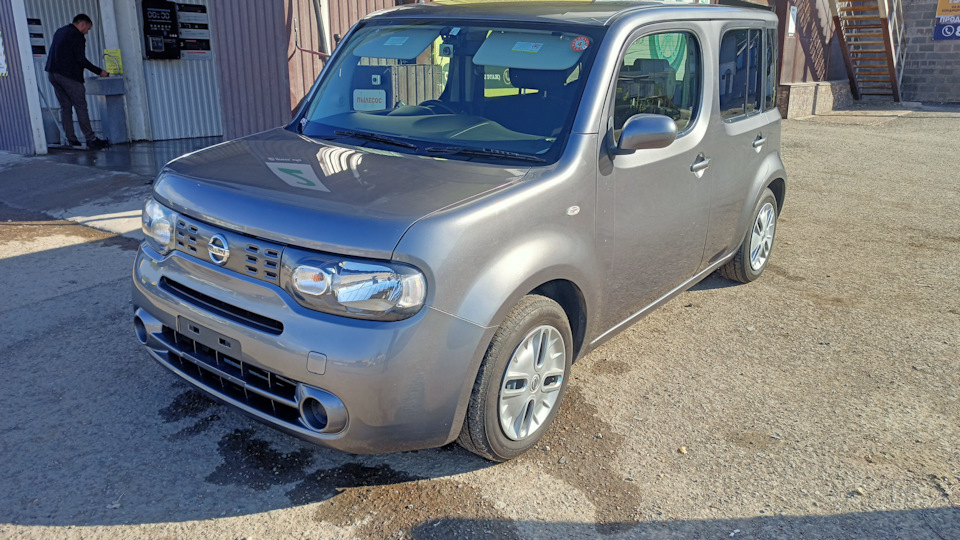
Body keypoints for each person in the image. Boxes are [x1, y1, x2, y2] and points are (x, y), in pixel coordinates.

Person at [45, 13, 110, 150]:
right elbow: (81, 59)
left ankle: (72, 140)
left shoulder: (60, 31)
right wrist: (100, 71)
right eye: (88, 29)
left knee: (65, 107)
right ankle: (91, 139)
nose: (87, 33)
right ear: (82, 24)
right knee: (81, 106)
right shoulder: (77, 36)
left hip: (53, 74)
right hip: (69, 76)